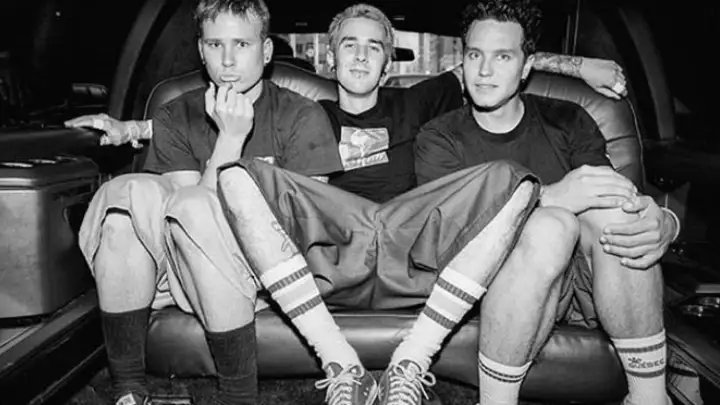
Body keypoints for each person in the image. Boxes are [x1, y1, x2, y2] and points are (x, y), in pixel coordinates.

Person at [68, 4, 676, 405]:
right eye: (348, 46)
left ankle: (413, 360)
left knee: (507, 178)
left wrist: (577, 64)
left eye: (374, 48)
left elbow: (494, 61)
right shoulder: (301, 112)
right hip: (326, 231)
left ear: (390, 62)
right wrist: (133, 129)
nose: (360, 57)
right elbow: (193, 128)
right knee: (243, 178)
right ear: (328, 57)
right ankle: (339, 364)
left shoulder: (424, 105)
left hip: (407, 230)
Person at [75, 1, 343, 405]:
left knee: (196, 206)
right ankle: (128, 391)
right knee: (124, 197)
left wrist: (231, 138)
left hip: (270, 272)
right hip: (185, 268)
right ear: (201, 51)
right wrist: (226, 141)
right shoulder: (175, 113)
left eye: (242, 44)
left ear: (266, 51)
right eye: (216, 45)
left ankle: (238, 396)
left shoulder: (302, 115)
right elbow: (183, 217)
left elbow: (301, 231)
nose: (228, 60)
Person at [413, 1, 676, 404]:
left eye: (503, 57)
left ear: (526, 67)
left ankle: (649, 398)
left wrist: (664, 221)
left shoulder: (568, 119)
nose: (484, 71)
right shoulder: (439, 137)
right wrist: (551, 197)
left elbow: (615, 195)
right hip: (493, 283)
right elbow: (448, 237)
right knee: (551, 225)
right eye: (474, 55)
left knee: (616, 215)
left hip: (584, 283)